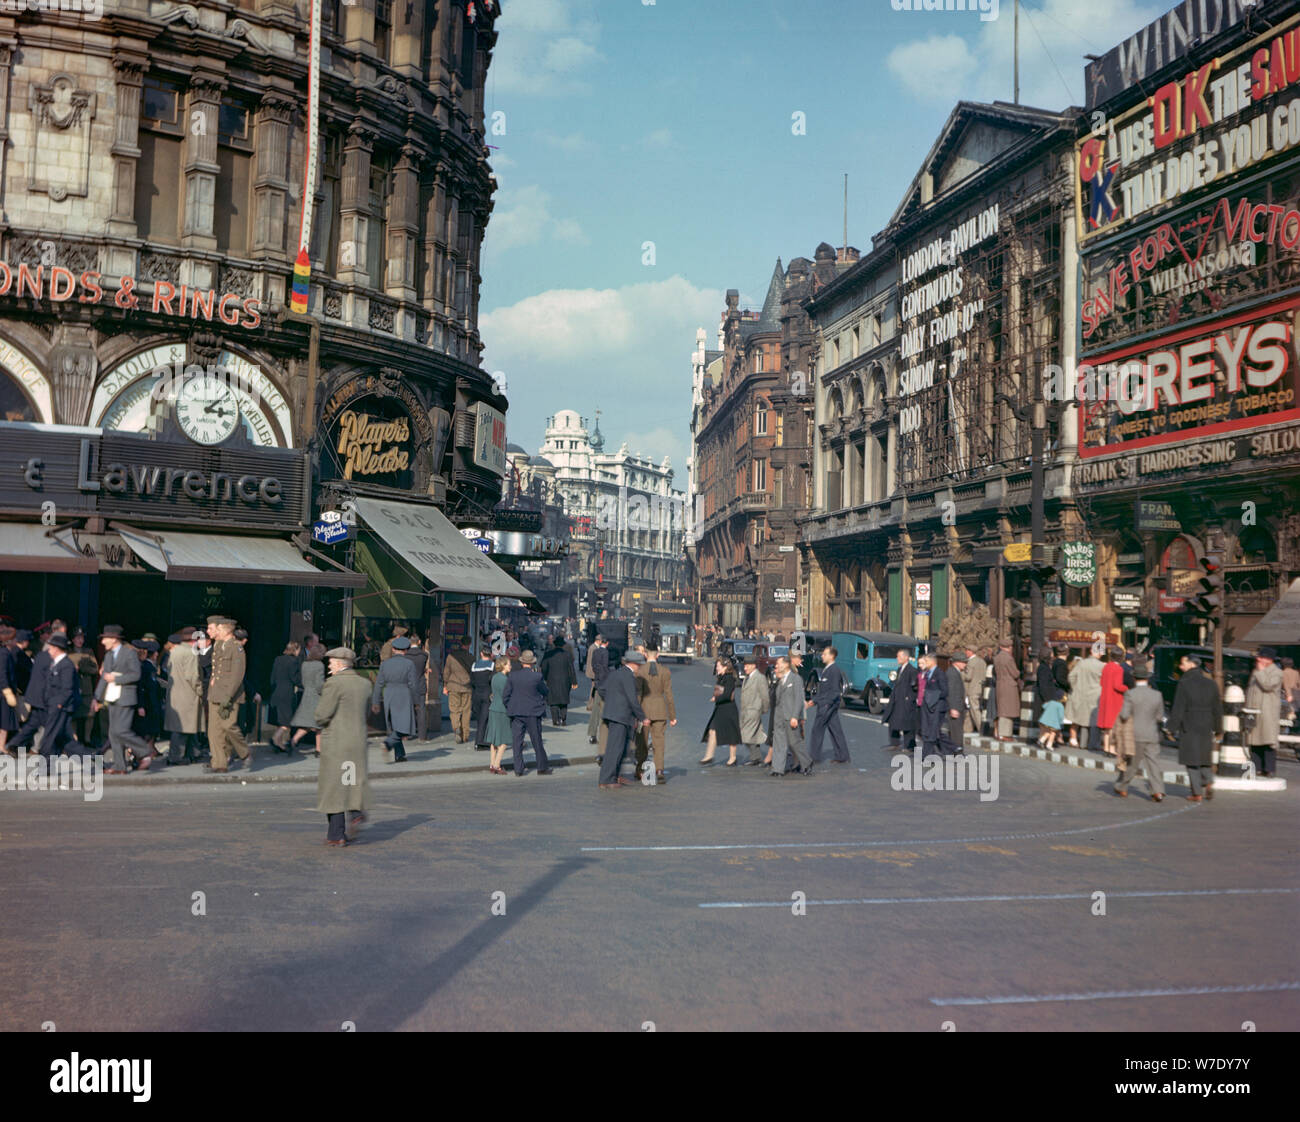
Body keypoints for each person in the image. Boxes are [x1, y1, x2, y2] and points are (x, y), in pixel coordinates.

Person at [313, 647, 372, 847]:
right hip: (357, 741)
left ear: (339, 664)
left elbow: (322, 714)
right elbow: (367, 712)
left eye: (330, 662)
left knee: (334, 787)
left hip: (337, 742)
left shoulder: (333, 683)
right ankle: (355, 813)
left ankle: (336, 834)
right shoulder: (365, 684)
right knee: (350, 780)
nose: (329, 666)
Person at [93, 624, 153, 774]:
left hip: (126, 698)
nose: (102, 642)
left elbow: (135, 675)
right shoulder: (108, 656)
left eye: (105, 639)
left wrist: (116, 679)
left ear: (114, 639)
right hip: (112, 697)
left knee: (121, 730)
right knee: (113, 733)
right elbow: (104, 678)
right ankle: (120, 766)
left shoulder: (129, 654)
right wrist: (96, 697)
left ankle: (145, 749)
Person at [1168, 654, 1222, 802]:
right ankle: (1208, 781)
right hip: (1207, 723)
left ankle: (1196, 792)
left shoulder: (1184, 683)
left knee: (1191, 759)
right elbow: (1217, 708)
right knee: (1204, 756)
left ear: (1191, 665)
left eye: (1183, 663)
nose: (1180, 667)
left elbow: (1178, 708)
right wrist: (1218, 728)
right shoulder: (1211, 683)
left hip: (1189, 723)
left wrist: (1171, 728)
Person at [1112, 666, 1166, 801]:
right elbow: (1160, 717)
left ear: (1134, 678)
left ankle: (1122, 786)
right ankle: (1157, 791)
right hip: (1152, 733)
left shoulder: (1130, 694)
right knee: (1153, 763)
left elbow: (1124, 715)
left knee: (1132, 764)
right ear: (1147, 679)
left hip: (1134, 734)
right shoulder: (1157, 694)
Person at [598, 648, 648, 789]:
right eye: (639, 665)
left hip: (614, 714)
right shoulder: (628, 676)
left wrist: (612, 700)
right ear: (633, 664)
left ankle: (612, 776)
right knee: (615, 749)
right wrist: (643, 717)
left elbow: (601, 689)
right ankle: (606, 779)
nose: (640, 668)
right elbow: (633, 700)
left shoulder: (616, 673)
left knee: (618, 748)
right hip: (620, 716)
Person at [207, 618, 252, 773]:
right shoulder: (219, 645)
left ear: (226, 630)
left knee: (228, 726)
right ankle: (219, 764)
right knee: (214, 731)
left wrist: (228, 697)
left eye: (217, 629)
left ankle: (244, 753)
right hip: (215, 693)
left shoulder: (237, 648)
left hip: (229, 695)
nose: (214, 632)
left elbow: (237, 676)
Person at [633, 641, 676, 782]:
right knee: (659, 742)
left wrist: (635, 713)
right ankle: (659, 770)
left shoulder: (640, 671)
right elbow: (669, 695)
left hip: (644, 710)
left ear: (645, 655)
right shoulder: (665, 671)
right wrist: (672, 716)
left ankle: (640, 769)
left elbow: (638, 694)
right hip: (660, 710)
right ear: (657, 655)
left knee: (642, 742)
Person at [372, 635, 418, 763]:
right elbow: (413, 684)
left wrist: (375, 701)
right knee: (404, 727)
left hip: (389, 694)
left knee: (394, 725)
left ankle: (400, 755)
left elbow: (378, 684)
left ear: (393, 649)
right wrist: (417, 702)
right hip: (404, 694)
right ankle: (388, 744)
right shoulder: (409, 664)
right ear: (406, 650)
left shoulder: (385, 664)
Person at [504, 649, 550, 776]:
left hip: (517, 712)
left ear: (522, 662)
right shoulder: (536, 676)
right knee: (536, 741)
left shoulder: (513, 676)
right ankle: (542, 767)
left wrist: (510, 707)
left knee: (517, 742)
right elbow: (545, 691)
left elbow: (506, 695)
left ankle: (518, 769)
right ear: (532, 663)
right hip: (533, 712)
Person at [37, 632, 80, 762]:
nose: (49, 650)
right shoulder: (56, 663)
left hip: (59, 707)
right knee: (66, 742)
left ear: (56, 648)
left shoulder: (66, 665)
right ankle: (95, 761)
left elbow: (67, 689)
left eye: (50, 648)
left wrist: (58, 704)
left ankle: (46, 766)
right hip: (52, 705)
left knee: (48, 737)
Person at [164, 628, 204, 765]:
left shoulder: (174, 651)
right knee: (184, 727)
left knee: (184, 725)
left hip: (175, 693)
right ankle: (177, 756)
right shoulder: (191, 653)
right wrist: (200, 691)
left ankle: (193, 752)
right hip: (188, 694)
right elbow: (192, 676)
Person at [807, 644, 850, 764]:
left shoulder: (834, 670)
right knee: (835, 730)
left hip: (827, 704)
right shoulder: (828, 669)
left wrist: (825, 703)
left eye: (824, 654)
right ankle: (843, 756)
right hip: (827, 704)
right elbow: (824, 690)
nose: (822, 656)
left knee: (817, 729)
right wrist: (814, 700)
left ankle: (814, 757)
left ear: (831, 656)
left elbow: (834, 691)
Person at [1245, 647, 1284, 778]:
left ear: (1269, 659)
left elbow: (1268, 685)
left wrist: (1260, 671)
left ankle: (1269, 769)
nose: (1258, 659)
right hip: (1254, 711)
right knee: (1254, 740)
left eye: (1261, 657)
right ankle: (1257, 768)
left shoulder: (1277, 672)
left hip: (1267, 711)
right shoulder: (1256, 671)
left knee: (1267, 740)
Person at [770, 655, 812, 776]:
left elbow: (799, 699)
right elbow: (775, 699)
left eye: (779, 664)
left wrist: (795, 716)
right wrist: (774, 682)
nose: (776, 666)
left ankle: (807, 763)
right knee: (779, 742)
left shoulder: (795, 679)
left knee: (795, 742)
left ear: (786, 664)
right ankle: (777, 769)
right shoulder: (779, 680)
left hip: (790, 716)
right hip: (779, 716)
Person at [699, 657, 742, 766]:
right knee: (712, 730)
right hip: (720, 708)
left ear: (725, 667)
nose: (716, 668)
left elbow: (727, 695)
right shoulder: (721, 677)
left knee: (731, 734)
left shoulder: (729, 678)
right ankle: (709, 755)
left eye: (718, 666)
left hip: (728, 709)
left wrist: (716, 698)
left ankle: (733, 758)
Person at [290, 644, 327, 756]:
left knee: (309, 724)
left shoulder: (305, 664)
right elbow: (319, 684)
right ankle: (318, 749)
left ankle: (293, 741)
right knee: (318, 724)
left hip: (307, 694)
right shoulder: (319, 665)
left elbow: (304, 681)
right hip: (316, 697)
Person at [882, 649, 919, 752]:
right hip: (896, 700)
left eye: (898, 656)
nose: (897, 658)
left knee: (907, 723)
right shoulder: (899, 669)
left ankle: (910, 746)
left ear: (906, 657)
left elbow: (915, 687)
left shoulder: (912, 670)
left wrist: (909, 698)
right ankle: (894, 742)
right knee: (893, 720)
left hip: (906, 701)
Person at [268, 640, 302, 751]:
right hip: (287, 693)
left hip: (276, 692)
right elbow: (295, 678)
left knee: (280, 719)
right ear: (295, 649)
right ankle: (275, 738)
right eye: (298, 650)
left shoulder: (278, 659)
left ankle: (279, 744)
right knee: (287, 720)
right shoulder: (293, 661)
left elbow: (272, 678)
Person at [1067, 646, 1102, 749]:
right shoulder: (1102, 666)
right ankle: (1091, 744)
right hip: (1096, 696)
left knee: (1078, 718)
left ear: (1091, 651)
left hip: (1080, 694)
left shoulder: (1081, 663)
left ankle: (1074, 740)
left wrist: (1076, 687)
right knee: (1093, 721)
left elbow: (1071, 677)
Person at [916, 649, 950, 757]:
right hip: (928, 707)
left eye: (926, 661)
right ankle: (930, 754)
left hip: (936, 707)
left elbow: (944, 691)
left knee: (932, 732)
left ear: (932, 662)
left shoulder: (939, 673)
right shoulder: (927, 674)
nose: (924, 663)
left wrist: (931, 696)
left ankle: (928, 755)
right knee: (927, 731)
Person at [738, 653, 769, 767]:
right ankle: (756, 757)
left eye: (746, 666)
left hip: (754, 711)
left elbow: (765, 696)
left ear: (753, 666)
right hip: (745, 712)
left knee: (745, 735)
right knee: (755, 735)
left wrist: (764, 709)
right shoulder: (747, 677)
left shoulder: (760, 678)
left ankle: (774, 745)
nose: (744, 668)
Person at [1096, 647, 1129, 757]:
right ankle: (1112, 748)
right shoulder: (1118, 669)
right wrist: (1126, 688)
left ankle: (1105, 748)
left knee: (1107, 728)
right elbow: (1117, 686)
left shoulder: (1106, 667)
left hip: (1105, 698)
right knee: (1113, 727)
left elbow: (1101, 683)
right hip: (1115, 699)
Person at [69, 629, 99, 749]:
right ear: (72, 639)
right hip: (73, 687)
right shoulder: (68, 652)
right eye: (77, 638)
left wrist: (82, 668)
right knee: (73, 716)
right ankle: (74, 739)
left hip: (86, 688)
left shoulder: (88, 652)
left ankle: (87, 739)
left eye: (82, 637)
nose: (80, 640)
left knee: (90, 714)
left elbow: (95, 669)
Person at [442, 636, 474, 743]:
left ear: (461, 643)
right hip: (467, 687)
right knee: (466, 711)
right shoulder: (471, 657)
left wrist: (445, 685)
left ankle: (456, 728)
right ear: (469, 644)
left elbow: (446, 672)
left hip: (454, 686)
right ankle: (465, 734)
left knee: (454, 710)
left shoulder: (451, 656)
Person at [485, 656, 514, 775]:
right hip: (502, 710)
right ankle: (497, 765)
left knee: (494, 739)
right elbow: (506, 696)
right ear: (503, 665)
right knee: (504, 739)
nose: (510, 666)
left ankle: (492, 764)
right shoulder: (505, 679)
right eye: (508, 664)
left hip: (493, 708)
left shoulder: (495, 677)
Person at [541, 636, 577, 725]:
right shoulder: (567, 655)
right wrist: (574, 681)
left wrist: (544, 678)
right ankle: (563, 719)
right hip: (565, 680)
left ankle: (555, 720)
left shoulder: (548, 654)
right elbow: (571, 669)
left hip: (551, 680)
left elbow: (544, 668)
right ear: (563, 645)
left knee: (553, 701)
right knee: (564, 699)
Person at [0, 624, 22, 756]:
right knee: (4, 722)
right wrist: (7, 691)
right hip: (3, 694)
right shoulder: (4, 654)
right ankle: (1, 747)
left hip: (4, 692)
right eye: (14, 639)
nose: (16, 641)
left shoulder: (6, 653)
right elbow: (2, 675)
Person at [992, 641, 1020, 741]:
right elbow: (1015, 673)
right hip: (1009, 685)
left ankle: (1001, 733)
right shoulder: (1008, 658)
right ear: (1009, 647)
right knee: (1008, 710)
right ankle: (1005, 734)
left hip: (1000, 684)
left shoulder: (997, 657)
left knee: (1002, 709)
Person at [405, 636, 430, 742]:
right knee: (421, 710)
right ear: (419, 642)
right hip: (420, 684)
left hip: (408, 685)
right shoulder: (424, 655)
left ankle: (407, 734)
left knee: (407, 709)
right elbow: (420, 669)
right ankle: (422, 736)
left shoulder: (405, 656)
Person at [470, 646, 495, 752]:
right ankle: (480, 742)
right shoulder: (492, 665)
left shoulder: (474, 665)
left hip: (476, 694)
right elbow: (492, 680)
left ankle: (479, 741)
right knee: (484, 719)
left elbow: (472, 681)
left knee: (480, 719)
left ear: (481, 654)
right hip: (487, 694)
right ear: (490, 655)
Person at [586, 632, 609, 746]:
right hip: (604, 684)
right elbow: (605, 667)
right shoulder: (605, 653)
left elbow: (594, 665)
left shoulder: (595, 651)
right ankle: (604, 735)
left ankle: (592, 734)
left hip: (597, 682)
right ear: (607, 643)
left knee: (595, 711)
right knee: (604, 711)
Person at [943, 652, 968, 753]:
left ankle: (955, 751)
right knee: (956, 731)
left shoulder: (954, 672)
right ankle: (957, 752)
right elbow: (952, 692)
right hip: (955, 707)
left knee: (956, 730)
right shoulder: (952, 673)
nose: (965, 664)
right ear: (957, 662)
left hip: (957, 706)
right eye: (964, 662)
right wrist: (953, 708)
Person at [962, 646, 987, 735]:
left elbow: (968, 677)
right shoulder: (982, 661)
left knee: (974, 709)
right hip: (980, 688)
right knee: (970, 709)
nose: (965, 652)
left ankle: (981, 728)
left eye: (966, 650)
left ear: (971, 651)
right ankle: (967, 728)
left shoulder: (971, 662)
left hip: (972, 688)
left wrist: (961, 673)